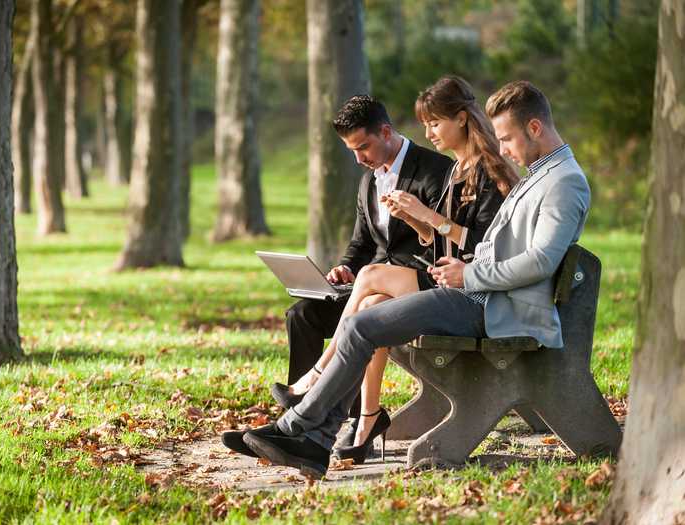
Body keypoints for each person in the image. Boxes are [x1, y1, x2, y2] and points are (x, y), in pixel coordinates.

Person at [227, 80, 591, 479]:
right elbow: (499, 247)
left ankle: (301, 433)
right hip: (480, 294)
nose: (502, 148)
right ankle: (307, 437)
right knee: (362, 322)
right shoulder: (541, 174)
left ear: (534, 128)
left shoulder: (563, 182)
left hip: (496, 307)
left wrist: (467, 272)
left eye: (507, 138)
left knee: (364, 324)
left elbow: (539, 262)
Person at [270, 75, 518, 464]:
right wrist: (417, 226)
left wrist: (425, 217)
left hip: (455, 288)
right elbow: (379, 243)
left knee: (371, 280)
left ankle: (318, 379)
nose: (430, 132)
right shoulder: (449, 172)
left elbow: (484, 247)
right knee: (344, 307)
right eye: (427, 125)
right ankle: (359, 420)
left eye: (435, 123)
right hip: (423, 282)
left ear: (462, 119)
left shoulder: (459, 171)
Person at [276, 96, 450, 425]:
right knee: (302, 314)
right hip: (367, 284)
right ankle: (298, 415)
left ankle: (324, 403)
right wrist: (346, 268)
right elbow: (363, 243)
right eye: (352, 151)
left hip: (413, 287)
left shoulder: (434, 170)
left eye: (363, 147)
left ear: (385, 132)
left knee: (367, 310)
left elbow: (443, 243)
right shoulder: (368, 180)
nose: (358, 159)